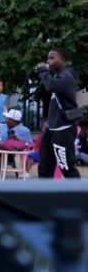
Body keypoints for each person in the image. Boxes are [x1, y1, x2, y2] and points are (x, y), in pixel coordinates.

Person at [36, 48, 81, 178]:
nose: (48, 61)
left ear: (62, 60)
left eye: (52, 58)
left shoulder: (67, 75)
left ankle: (78, 196)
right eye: (48, 58)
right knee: (44, 166)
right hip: (52, 128)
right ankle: (46, 196)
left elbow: (51, 86)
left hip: (63, 128)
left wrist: (43, 70)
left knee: (66, 167)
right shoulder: (60, 75)